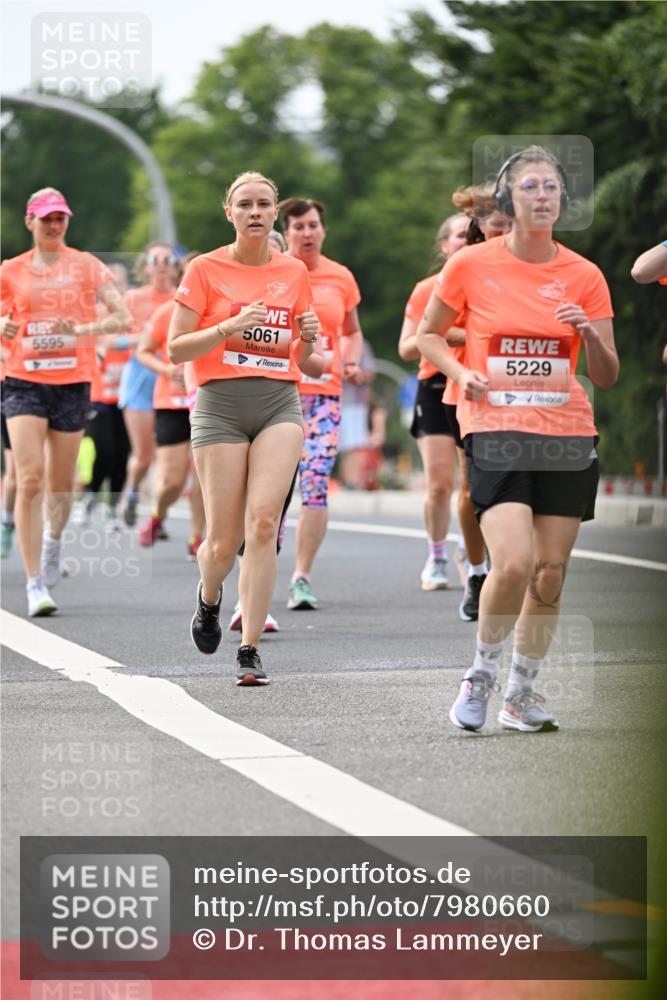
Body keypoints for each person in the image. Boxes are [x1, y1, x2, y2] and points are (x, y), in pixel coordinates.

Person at [417, 146, 618, 733]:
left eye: (552, 187)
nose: (543, 196)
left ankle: (521, 693)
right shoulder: (471, 265)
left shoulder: (584, 275)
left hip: (566, 430)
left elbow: (606, 374)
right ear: (508, 200)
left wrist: (591, 337)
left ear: (563, 199)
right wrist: (460, 375)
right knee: (513, 562)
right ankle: (480, 674)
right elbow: (428, 337)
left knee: (550, 570)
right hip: (496, 427)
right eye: (530, 186)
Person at [168, 170, 324, 686]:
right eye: (245, 204)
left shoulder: (294, 272)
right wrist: (227, 327)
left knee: (263, 525)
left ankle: (250, 648)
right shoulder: (205, 269)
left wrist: (308, 338)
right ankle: (209, 598)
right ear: (229, 213)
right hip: (220, 405)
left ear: (275, 213)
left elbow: (308, 361)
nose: (255, 212)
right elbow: (176, 349)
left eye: (263, 204)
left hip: (279, 401)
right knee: (222, 539)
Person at [0, 187, 131, 616]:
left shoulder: (86, 265)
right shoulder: (11, 270)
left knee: (59, 482)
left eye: (61, 218)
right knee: (30, 477)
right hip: (23, 381)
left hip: (72, 382)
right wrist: (4, 328)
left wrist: (80, 330)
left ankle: (54, 540)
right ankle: (34, 582)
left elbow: (121, 317)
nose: (54, 225)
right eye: (46, 219)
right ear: (30, 222)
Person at [277, 197, 364, 611]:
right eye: (298, 227)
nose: (307, 233)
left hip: (324, 398)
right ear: (287, 233)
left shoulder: (341, 277)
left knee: (314, 487)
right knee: (272, 493)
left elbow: (352, 330)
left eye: (313, 225)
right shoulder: (275, 274)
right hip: (279, 393)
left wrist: (348, 359)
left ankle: (301, 577)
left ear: (323, 230)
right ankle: (256, 574)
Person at [446, 187, 511, 620]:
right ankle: (477, 570)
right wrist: (482, 336)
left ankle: (515, 569)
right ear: (480, 226)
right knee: (472, 490)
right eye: (491, 218)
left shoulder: (544, 263)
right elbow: (433, 331)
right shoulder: (465, 265)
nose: (500, 226)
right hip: (473, 390)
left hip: (530, 391)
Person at [398, 213, 468, 590]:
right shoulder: (427, 289)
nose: (466, 240)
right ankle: (437, 556)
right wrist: (450, 334)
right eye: (459, 235)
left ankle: (473, 551)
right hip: (436, 383)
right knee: (440, 483)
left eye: (472, 234)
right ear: (444, 245)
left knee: (474, 483)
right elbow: (407, 347)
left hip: (479, 384)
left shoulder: (491, 284)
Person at [135, 254, 205, 556]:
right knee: (173, 479)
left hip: (208, 399)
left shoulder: (219, 311)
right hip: (171, 403)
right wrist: (166, 371)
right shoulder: (167, 313)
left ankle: (197, 538)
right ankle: (157, 514)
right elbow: (143, 351)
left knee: (204, 475)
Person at [119, 243, 179, 526]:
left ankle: (159, 513)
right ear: (145, 266)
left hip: (172, 378)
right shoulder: (133, 298)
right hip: (140, 377)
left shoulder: (182, 298)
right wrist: (144, 339)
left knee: (166, 454)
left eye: (167, 259)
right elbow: (108, 339)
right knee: (144, 455)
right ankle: (131, 493)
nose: (162, 264)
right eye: (155, 259)